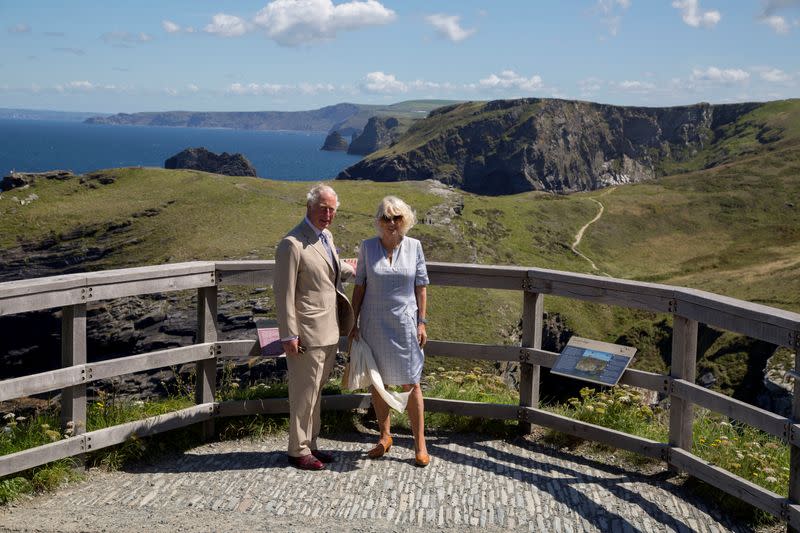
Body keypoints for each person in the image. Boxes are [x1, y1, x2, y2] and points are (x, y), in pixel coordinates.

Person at [273, 183, 354, 471]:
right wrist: (289, 334)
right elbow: (283, 293)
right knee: (304, 393)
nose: (328, 214)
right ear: (309, 207)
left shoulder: (326, 236)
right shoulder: (291, 244)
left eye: (332, 209)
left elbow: (330, 269)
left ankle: (312, 445)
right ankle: (297, 450)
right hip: (306, 333)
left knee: (316, 391)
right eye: (323, 209)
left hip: (329, 329)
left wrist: (353, 267)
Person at [349, 196, 430, 467]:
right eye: (386, 218)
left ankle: (420, 443)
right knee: (377, 381)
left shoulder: (415, 247)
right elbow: (359, 285)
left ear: (405, 220)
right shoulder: (367, 247)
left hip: (405, 324)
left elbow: (421, 286)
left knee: (412, 383)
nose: (391, 223)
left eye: (397, 217)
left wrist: (422, 322)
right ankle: (385, 437)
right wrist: (353, 320)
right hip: (373, 323)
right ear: (378, 222)